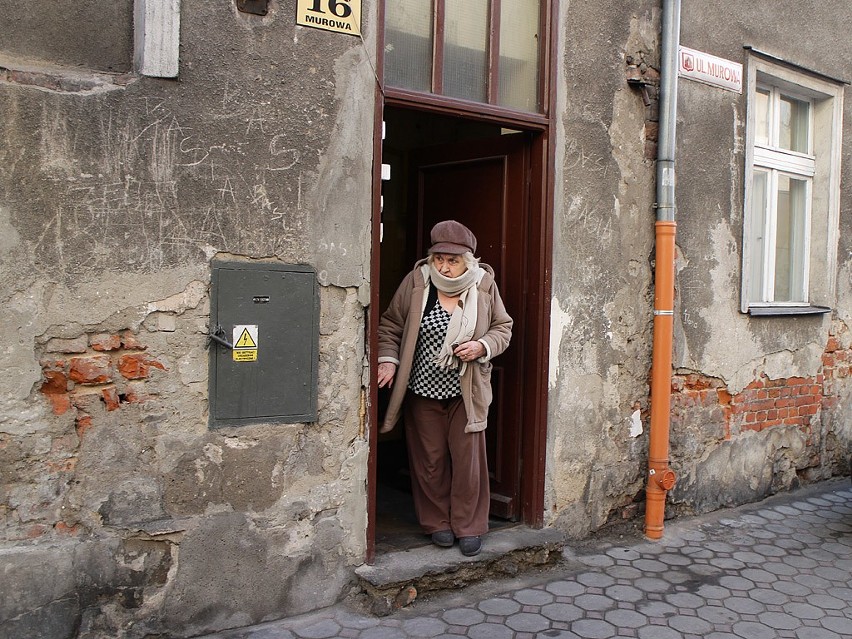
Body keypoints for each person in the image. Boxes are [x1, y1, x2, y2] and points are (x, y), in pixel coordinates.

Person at [377, 220, 513, 557]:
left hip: (466, 392)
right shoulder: (417, 282)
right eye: (438, 258)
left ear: (468, 260)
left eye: (452, 260)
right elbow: (391, 325)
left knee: (468, 463)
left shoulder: (483, 285)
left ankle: (469, 527)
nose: (444, 266)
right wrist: (388, 360)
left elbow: (503, 328)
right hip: (422, 389)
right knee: (430, 462)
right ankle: (437, 523)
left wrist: (482, 346)